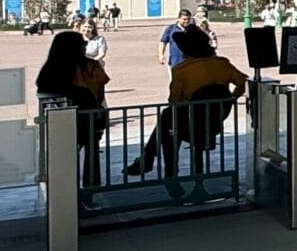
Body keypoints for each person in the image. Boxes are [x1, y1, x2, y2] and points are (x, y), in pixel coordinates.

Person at [125, 23, 246, 178]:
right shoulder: (222, 63)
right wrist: (230, 100)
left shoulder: (181, 70)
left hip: (190, 123)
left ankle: (161, 166)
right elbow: (242, 83)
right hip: (214, 120)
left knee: (167, 121)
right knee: (168, 121)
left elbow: (174, 101)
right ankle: (148, 160)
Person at [35, 28, 111, 186]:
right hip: (89, 118)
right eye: (83, 44)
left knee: (65, 157)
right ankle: (91, 187)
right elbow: (100, 91)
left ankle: (64, 188)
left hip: (61, 122)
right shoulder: (91, 66)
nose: (85, 46)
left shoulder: (49, 71)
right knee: (92, 153)